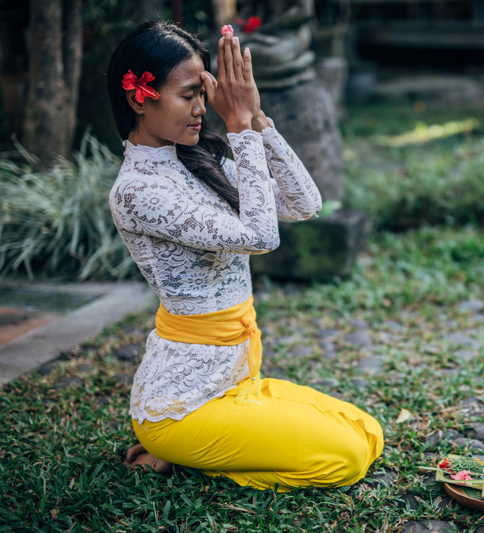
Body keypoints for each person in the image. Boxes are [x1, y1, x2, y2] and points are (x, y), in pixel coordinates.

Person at [106, 21, 383, 491]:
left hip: (235, 382)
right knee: (347, 458)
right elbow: (260, 236)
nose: (202, 108)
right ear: (139, 98)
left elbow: (304, 203)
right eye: (188, 95)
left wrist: (256, 119)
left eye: (204, 93)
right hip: (181, 407)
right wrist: (236, 129)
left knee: (366, 429)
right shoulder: (137, 191)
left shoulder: (199, 162)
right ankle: (178, 450)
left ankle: (193, 450)